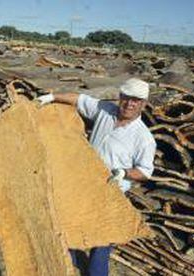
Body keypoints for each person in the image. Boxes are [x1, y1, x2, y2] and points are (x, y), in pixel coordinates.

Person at [36, 78, 156, 276]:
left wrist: (123, 173)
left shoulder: (143, 138)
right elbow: (79, 99)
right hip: (84, 186)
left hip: (111, 194)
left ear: (143, 104)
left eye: (135, 100)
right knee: (70, 229)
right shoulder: (105, 110)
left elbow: (145, 171)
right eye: (126, 98)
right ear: (120, 97)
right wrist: (51, 97)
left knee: (101, 245)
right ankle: (71, 263)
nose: (129, 104)